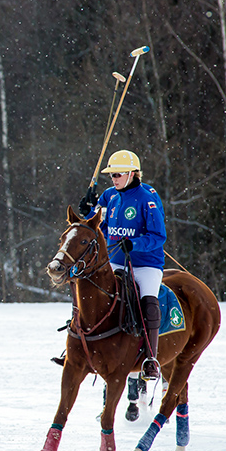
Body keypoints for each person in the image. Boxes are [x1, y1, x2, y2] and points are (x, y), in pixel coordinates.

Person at [84, 150, 167, 380]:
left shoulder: (147, 197)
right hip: (115, 262)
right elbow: (94, 225)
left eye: (118, 174)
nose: (114, 179)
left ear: (132, 174)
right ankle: (83, 345)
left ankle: (151, 359)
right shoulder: (109, 196)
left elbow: (159, 236)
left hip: (146, 264)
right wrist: (87, 210)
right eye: (111, 175)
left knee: (148, 303)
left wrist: (134, 244)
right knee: (92, 295)